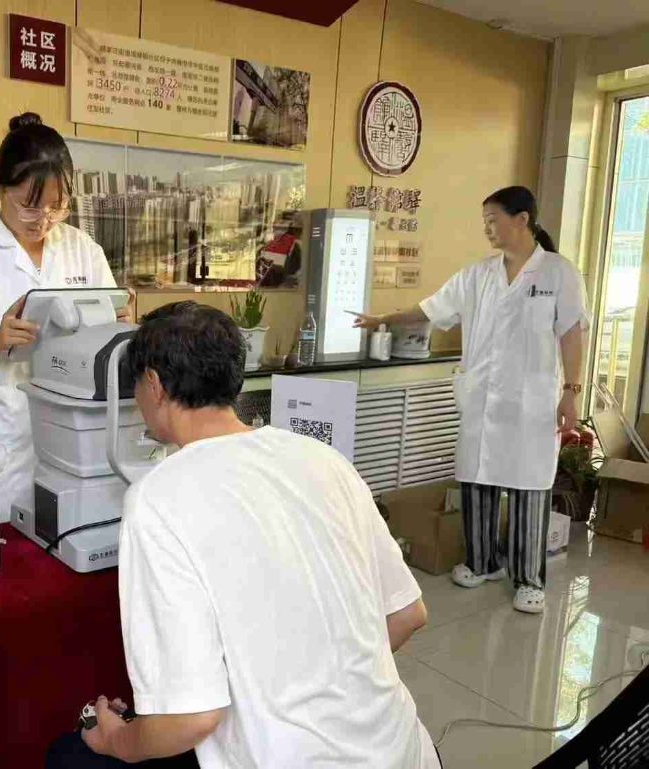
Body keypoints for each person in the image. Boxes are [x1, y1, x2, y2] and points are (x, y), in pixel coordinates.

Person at [47, 302, 436, 769]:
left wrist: (113, 739)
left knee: (70, 757)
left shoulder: (158, 497)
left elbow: (188, 720)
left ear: (153, 385)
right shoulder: (323, 458)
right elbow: (407, 614)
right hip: (405, 750)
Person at [355, 186, 588, 614]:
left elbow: (573, 335)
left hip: (532, 403)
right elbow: (430, 309)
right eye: (484, 222)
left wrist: (571, 393)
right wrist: (383, 319)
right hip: (482, 397)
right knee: (477, 479)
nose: (487, 228)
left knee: (529, 485)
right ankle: (482, 563)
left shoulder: (559, 273)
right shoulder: (477, 275)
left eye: (493, 220)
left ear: (522, 219)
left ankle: (528, 579)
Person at [0, 112, 129, 522]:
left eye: (58, 207)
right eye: (30, 207)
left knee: (74, 531)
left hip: (76, 429)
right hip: (4, 434)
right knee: (9, 537)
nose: (44, 220)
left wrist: (120, 320)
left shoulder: (82, 249)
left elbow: (112, 329)